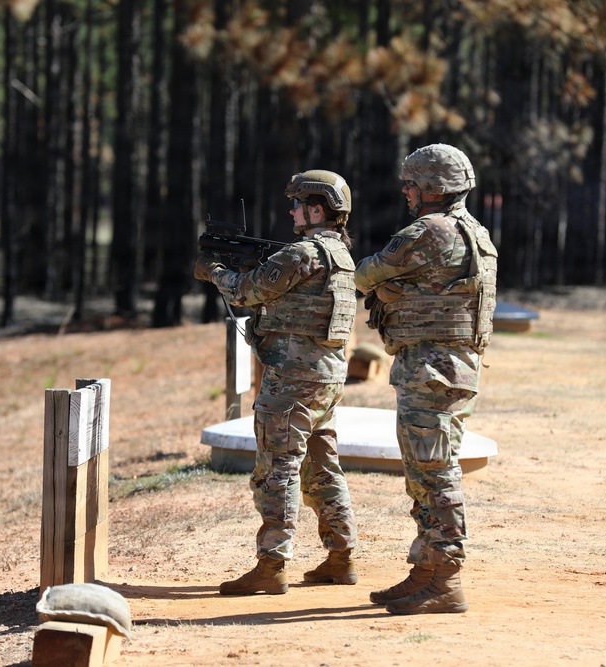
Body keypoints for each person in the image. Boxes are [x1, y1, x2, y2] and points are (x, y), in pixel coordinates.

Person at [194, 170, 360, 595]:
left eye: (298, 203)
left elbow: (248, 292)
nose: (291, 210)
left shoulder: (303, 253)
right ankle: (341, 557)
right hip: (324, 377)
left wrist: (214, 272)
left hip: (292, 380)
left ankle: (272, 565)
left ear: (317, 209)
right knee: (321, 467)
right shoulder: (341, 253)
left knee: (277, 470)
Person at [354, 144, 497, 615]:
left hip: (432, 370)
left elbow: (365, 273)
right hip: (446, 367)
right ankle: (428, 572)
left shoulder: (429, 231)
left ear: (434, 188)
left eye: (412, 184)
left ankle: (445, 579)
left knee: (434, 472)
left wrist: (385, 286)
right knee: (426, 470)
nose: (405, 191)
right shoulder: (474, 231)